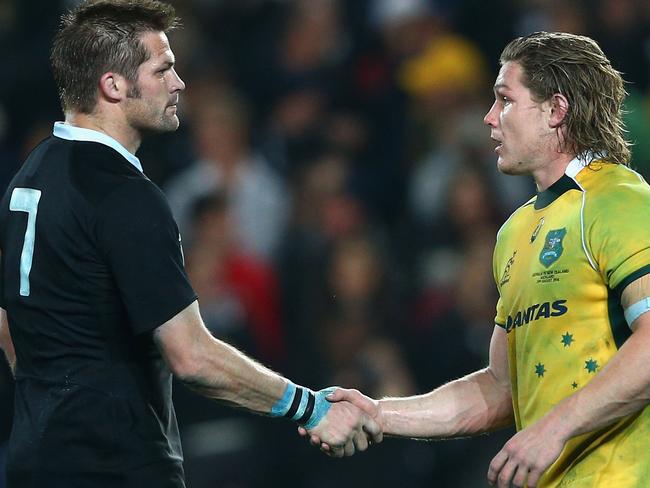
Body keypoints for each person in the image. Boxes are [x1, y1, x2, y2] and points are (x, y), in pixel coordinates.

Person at [0, 1, 381, 487]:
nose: (179, 84)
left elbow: (9, 325)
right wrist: (309, 407)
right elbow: (192, 357)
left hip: (33, 462)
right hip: (116, 467)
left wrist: (52, 404)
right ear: (113, 85)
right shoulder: (126, 197)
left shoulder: (25, 180)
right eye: (163, 69)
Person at [305, 31, 650, 488]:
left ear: (556, 110)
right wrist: (379, 412)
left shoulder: (620, 200)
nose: (489, 118)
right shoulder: (515, 231)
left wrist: (554, 428)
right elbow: (499, 389)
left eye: (504, 100)